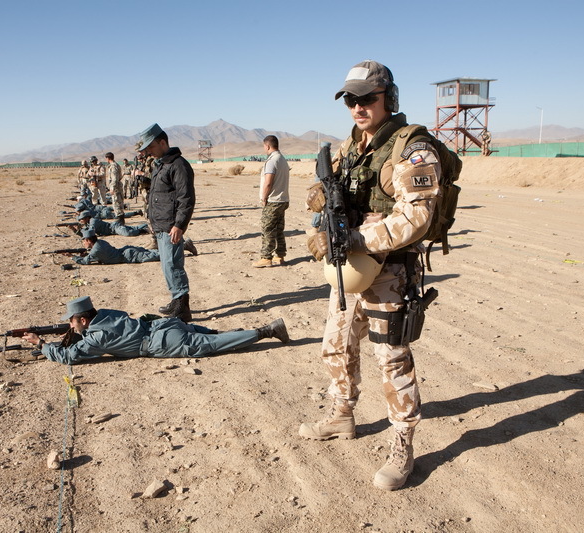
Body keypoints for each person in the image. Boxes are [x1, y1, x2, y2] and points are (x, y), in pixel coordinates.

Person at [299, 60, 442, 491]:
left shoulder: (413, 149)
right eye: (350, 100)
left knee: (391, 358)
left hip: (390, 269)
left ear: (388, 98)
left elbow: (416, 217)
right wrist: (320, 212)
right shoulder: (350, 146)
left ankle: (403, 442)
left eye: (366, 99)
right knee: (336, 343)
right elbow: (323, 196)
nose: (358, 107)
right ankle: (342, 415)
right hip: (351, 267)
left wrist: (357, 237)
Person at [22, 295, 289, 365]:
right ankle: (239, 333)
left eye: (72, 322)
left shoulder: (96, 338)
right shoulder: (105, 314)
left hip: (162, 342)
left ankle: (266, 331)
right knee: (212, 335)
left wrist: (41, 344)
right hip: (162, 324)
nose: (70, 325)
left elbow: (70, 357)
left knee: (212, 346)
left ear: (82, 320)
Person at [138, 123, 195, 322]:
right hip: (161, 224)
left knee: (173, 265)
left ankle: (182, 308)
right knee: (166, 265)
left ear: (163, 143)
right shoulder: (161, 164)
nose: (149, 152)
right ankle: (175, 300)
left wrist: (179, 225)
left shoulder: (178, 165)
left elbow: (186, 198)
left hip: (171, 225)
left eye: (151, 147)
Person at [253, 135, 290, 268]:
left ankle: (266, 257)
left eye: (264, 146)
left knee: (267, 228)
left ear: (267, 146)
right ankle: (280, 255)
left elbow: (268, 182)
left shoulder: (272, 161)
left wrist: (264, 197)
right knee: (278, 229)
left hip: (273, 200)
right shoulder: (282, 159)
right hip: (283, 199)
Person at [73, 229, 196, 265]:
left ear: (88, 240)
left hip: (129, 256)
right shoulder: (100, 243)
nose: (83, 243)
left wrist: (72, 257)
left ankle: (184, 246)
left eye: (84, 241)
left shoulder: (96, 249)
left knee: (160, 256)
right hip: (127, 252)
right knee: (154, 252)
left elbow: (86, 261)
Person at [77, 210, 150, 237]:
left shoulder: (93, 221)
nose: (81, 221)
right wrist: (76, 230)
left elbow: (90, 233)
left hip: (114, 228)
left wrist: (81, 229)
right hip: (113, 229)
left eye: (82, 219)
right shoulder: (88, 223)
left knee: (128, 233)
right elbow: (86, 234)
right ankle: (148, 225)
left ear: (87, 218)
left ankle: (144, 230)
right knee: (134, 228)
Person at [105, 152, 125, 219]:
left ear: (108, 158)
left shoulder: (113, 166)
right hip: (117, 186)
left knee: (117, 204)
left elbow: (115, 178)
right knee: (119, 203)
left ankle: (120, 220)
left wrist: (112, 188)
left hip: (116, 188)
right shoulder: (116, 165)